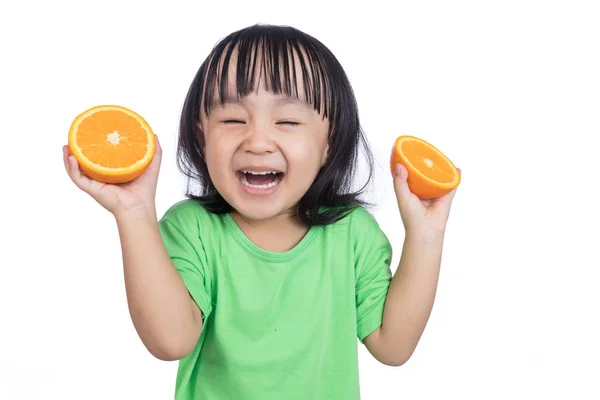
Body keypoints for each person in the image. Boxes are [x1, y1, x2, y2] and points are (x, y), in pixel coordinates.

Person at [62, 24, 459, 400]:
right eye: (233, 119)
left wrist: (426, 236)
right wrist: (134, 214)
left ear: (329, 142)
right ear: (201, 136)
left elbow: (394, 345)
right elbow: (170, 341)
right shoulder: (192, 229)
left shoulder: (352, 232)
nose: (257, 140)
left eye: (287, 120)